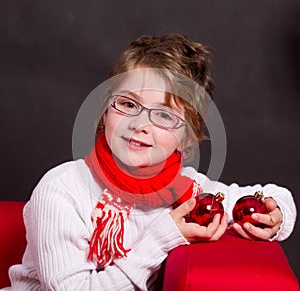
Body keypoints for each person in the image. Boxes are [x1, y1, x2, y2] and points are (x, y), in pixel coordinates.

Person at [4, 33, 296, 291]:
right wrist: (164, 237)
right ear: (105, 111)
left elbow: (275, 197)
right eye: (128, 104)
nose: (140, 124)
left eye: (165, 115)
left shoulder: (187, 191)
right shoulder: (63, 189)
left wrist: (275, 216)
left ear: (187, 139)